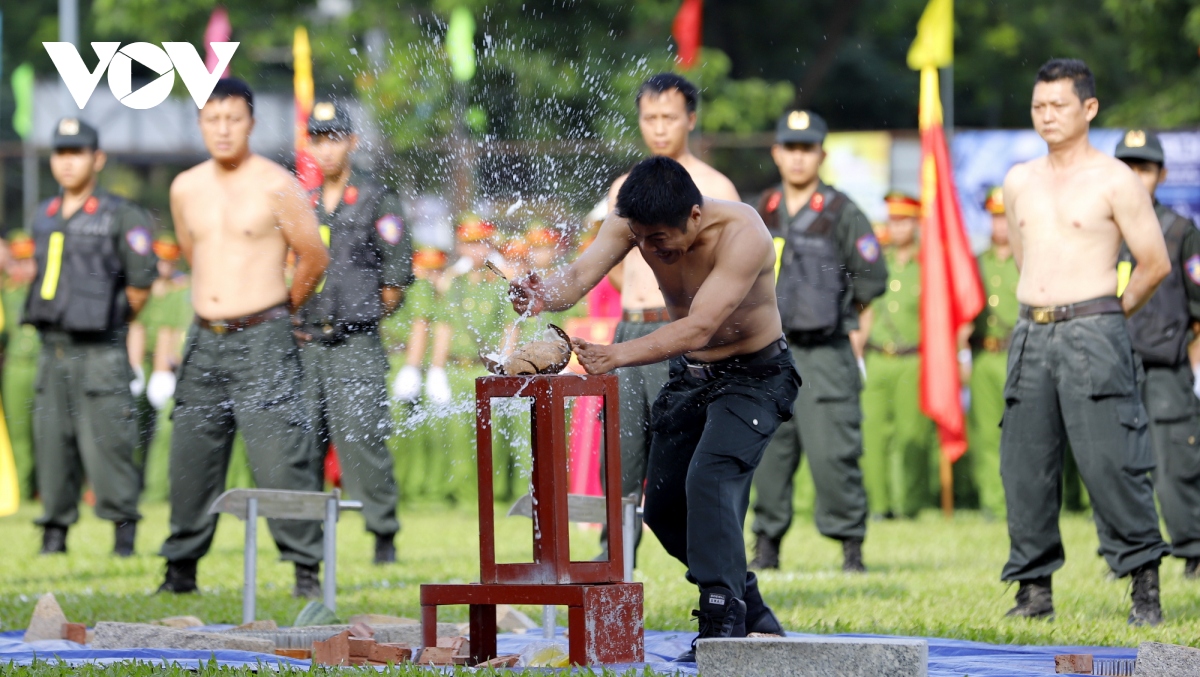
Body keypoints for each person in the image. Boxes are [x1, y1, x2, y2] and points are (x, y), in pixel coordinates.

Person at [510, 156, 799, 661]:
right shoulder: (635, 220)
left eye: (659, 239)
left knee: (708, 480)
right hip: (691, 376)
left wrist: (615, 356)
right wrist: (540, 294)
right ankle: (749, 608)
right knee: (663, 511)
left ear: (693, 216)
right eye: (640, 238)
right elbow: (579, 274)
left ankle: (721, 626)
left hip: (755, 376)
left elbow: (699, 327)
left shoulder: (743, 232)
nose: (649, 249)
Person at [1000, 59, 1170, 625]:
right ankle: (1033, 590)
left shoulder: (1114, 179)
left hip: (1094, 328)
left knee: (1112, 462)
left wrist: (1108, 313)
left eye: (1058, 106)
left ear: (1089, 108)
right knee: (1024, 466)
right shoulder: (1020, 178)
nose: (1046, 117)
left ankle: (1144, 585)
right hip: (1031, 331)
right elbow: (1024, 257)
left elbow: (1154, 263)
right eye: (1038, 106)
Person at [158, 78, 331, 597]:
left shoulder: (277, 183)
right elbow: (195, 252)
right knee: (191, 456)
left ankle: (305, 570)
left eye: (233, 118)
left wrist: (279, 309)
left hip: (264, 338)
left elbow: (313, 258)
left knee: (281, 457)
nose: (224, 128)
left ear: (251, 123)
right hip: (203, 339)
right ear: (200, 124)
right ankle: (179, 571)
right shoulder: (184, 187)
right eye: (213, 119)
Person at [598, 73, 741, 561]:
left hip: (682, 334)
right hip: (629, 328)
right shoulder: (626, 186)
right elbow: (610, 264)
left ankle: (710, 571)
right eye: (650, 118)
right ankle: (611, 564)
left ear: (691, 120)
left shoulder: (715, 186)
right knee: (617, 459)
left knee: (681, 464)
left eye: (669, 118)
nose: (659, 128)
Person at [747, 110, 887, 573]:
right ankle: (766, 547)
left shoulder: (844, 212)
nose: (798, 157)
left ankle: (851, 549)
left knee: (834, 454)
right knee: (766, 453)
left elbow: (870, 283)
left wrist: (849, 330)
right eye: (790, 147)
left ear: (821, 154)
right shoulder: (757, 210)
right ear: (776, 152)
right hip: (768, 354)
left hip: (825, 353)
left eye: (807, 149)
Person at [26, 118, 158, 556]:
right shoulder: (43, 215)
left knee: (110, 448)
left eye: (77, 152)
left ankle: (123, 538)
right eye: (61, 153)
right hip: (52, 351)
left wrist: (110, 320)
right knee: (52, 446)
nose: (67, 162)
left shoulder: (120, 214)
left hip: (100, 351)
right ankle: (53, 536)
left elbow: (140, 284)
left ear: (97, 158)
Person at [297, 98, 412, 564]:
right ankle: (305, 547)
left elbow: (395, 276)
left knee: (363, 441)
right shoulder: (300, 201)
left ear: (351, 141)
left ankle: (383, 535)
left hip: (355, 342)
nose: (326, 150)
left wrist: (359, 314)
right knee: (301, 445)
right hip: (306, 343)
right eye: (318, 141)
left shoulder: (376, 198)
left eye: (334, 139)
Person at [1113, 129, 1200, 579]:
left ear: (1161, 174)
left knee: (1174, 467)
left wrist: (1194, 369)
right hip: (1116, 369)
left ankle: (1192, 551)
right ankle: (1124, 557)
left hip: (1167, 371)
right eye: (1126, 166)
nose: (1135, 176)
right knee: (1119, 467)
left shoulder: (1182, 232)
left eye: (1144, 168)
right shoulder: (1105, 231)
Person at [860, 192, 936, 519]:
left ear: (917, 223)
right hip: (877, 358)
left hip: (912, 359)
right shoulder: (877, 262)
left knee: (911, 434)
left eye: (904, 220)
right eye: (893, 219)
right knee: (874, 434)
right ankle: (878, 505)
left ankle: (909, 505)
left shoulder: (928, 265)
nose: (898, 227)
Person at [964, 187, 1019, 519]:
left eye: (1004, 217)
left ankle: (1024, 501)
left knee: (1025, 434)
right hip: (985, 354)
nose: (999, 225)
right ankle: (993, 503)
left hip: (1019, 354)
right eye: (995, 217)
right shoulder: (974, 264)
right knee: (987, 434)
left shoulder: (1027, 260)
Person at [2, 231, 40, 501]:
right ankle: (23, 494)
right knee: (19, 435)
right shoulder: (6, 292)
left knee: (50, 433)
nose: (24, 267)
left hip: (43, 366)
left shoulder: (45, 291)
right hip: (15, 368)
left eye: (30, 260)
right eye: (19, 260)